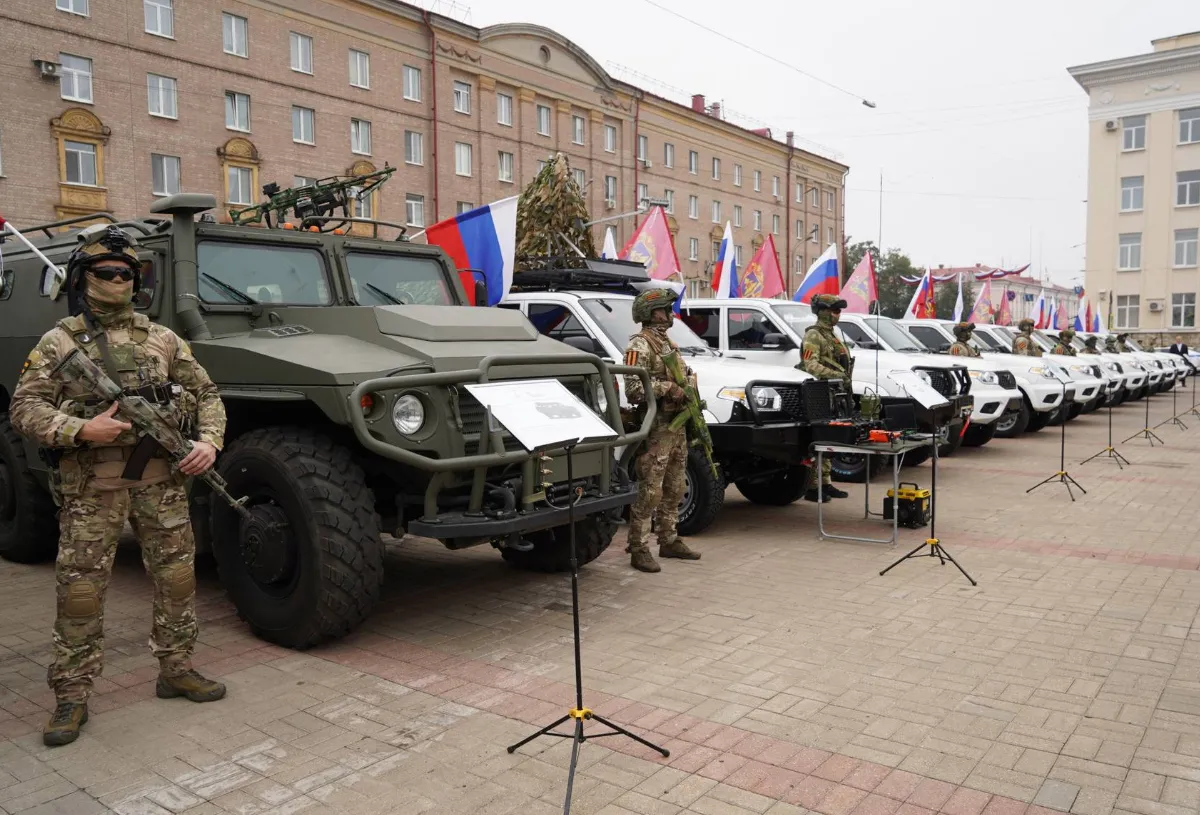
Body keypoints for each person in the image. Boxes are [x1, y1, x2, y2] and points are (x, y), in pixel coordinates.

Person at [9, 225, 228, 747]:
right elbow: (24, 408)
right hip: (93, 488)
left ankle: (176, 669)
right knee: (81, 592)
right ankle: (71, 695)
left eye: (127, 273)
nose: (117, 280)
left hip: (161, 485)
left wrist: (209, 442)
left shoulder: (164, 339)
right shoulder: (59, 342)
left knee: (177, 581)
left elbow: (207, 394)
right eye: (106, 272)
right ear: (83, 279)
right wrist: (81, 429)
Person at [622, 288, 701, 573]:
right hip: (657, 427)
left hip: (676, 425)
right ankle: (639, 547)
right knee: (650, 489)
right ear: (651, 313)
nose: (670, 313)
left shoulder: (668, 342)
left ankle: (668, 539)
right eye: (665, 309)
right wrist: (668, 388)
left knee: (676, 486)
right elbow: (633, 389)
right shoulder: (640, 345)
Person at [799, 294, 852, 503]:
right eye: (835, 311)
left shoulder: (831, 335)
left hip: (835, 394)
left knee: (831, 440)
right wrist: (836, 376)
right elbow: (810, 365)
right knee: (820, 441)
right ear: (823, 312)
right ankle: (813, 487)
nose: (838, 315)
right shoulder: (814, 335)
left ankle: (826, 483)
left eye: (839, 311)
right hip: (820, 395)